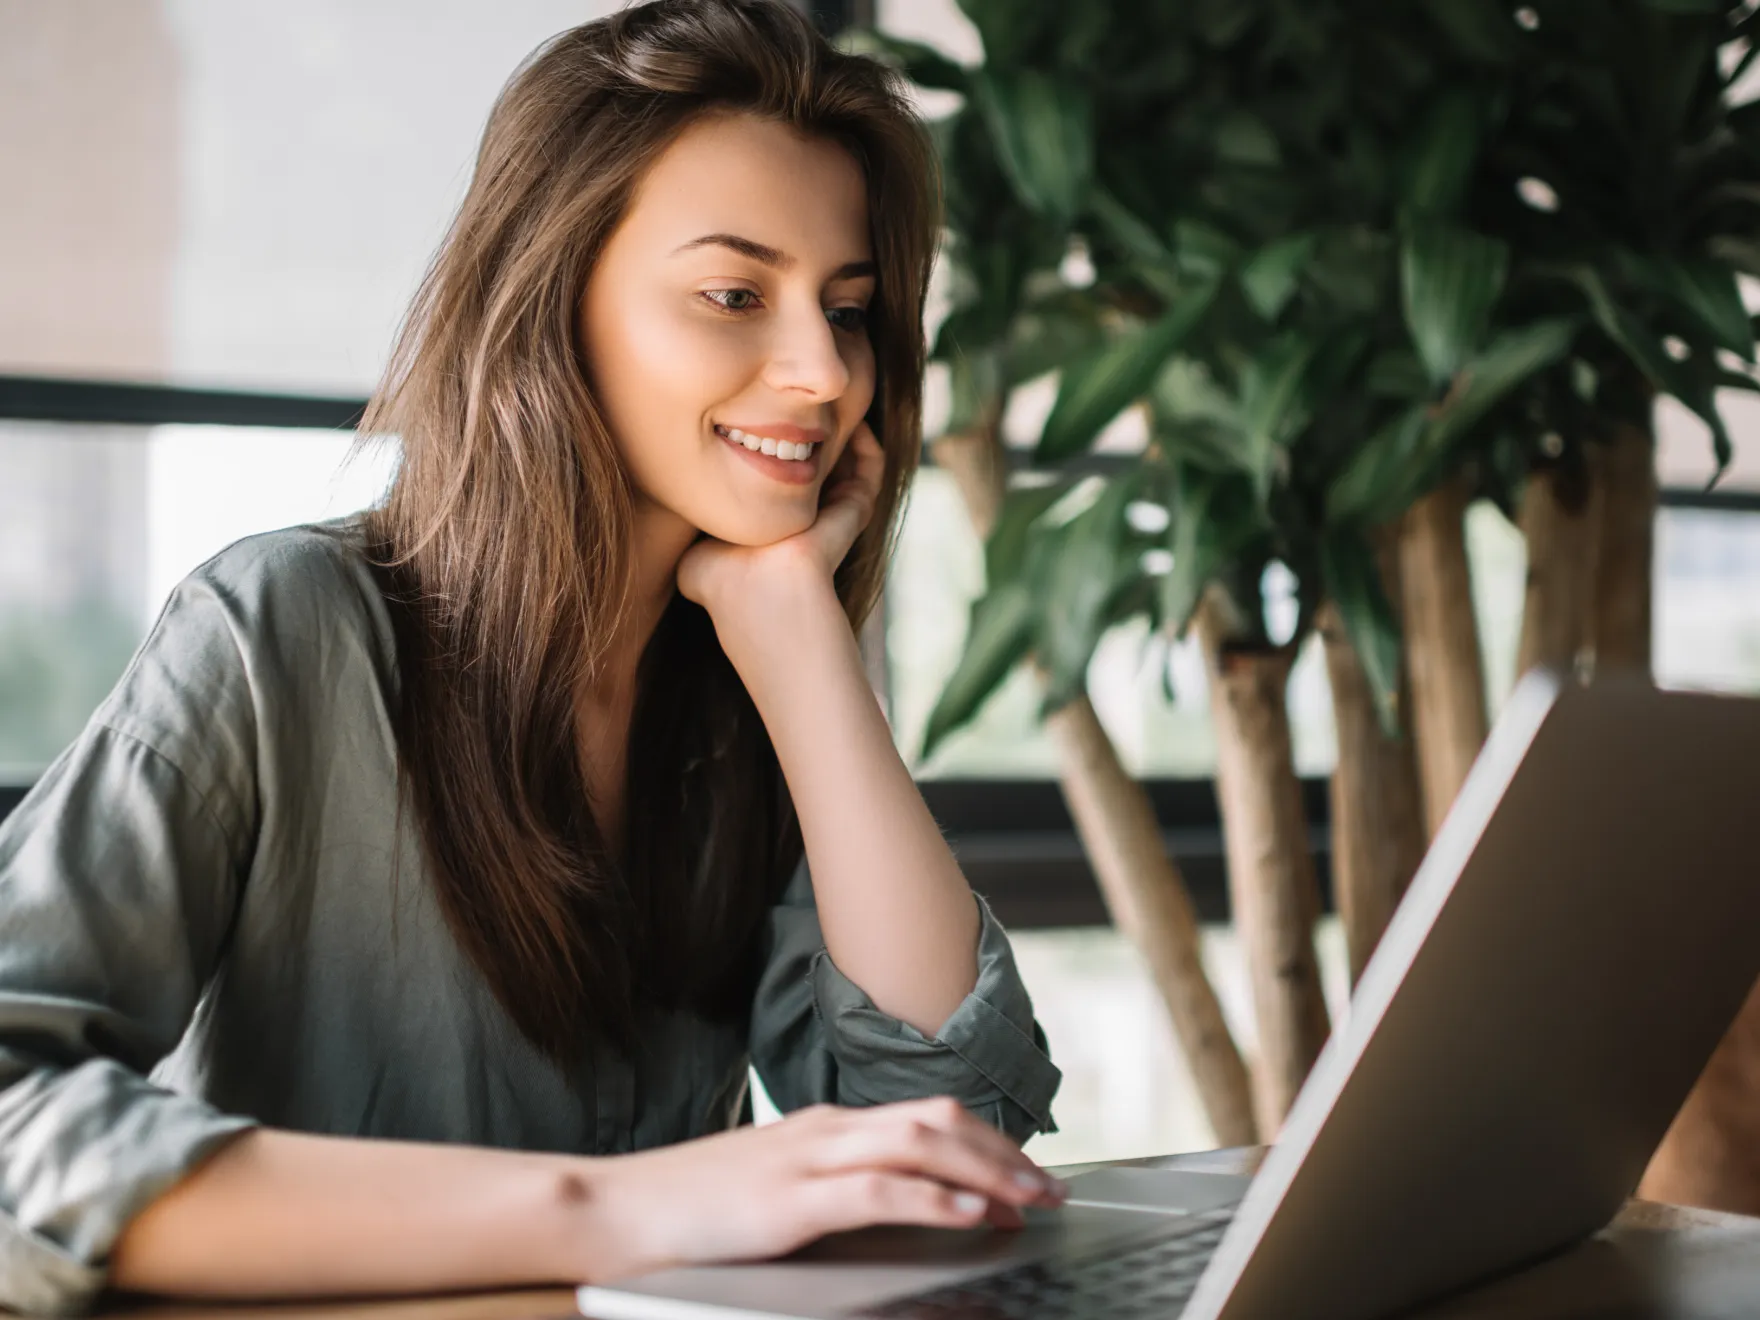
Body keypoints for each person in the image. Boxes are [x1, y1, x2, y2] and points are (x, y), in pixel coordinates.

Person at [0, 1, 1066, 1312]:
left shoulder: (744, 687)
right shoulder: (281, 630)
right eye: (735, 294)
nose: (824, 371)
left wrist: (802, 648)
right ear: (553, 301)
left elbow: (958, 1134)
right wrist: (611, 1210)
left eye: (847, 310)